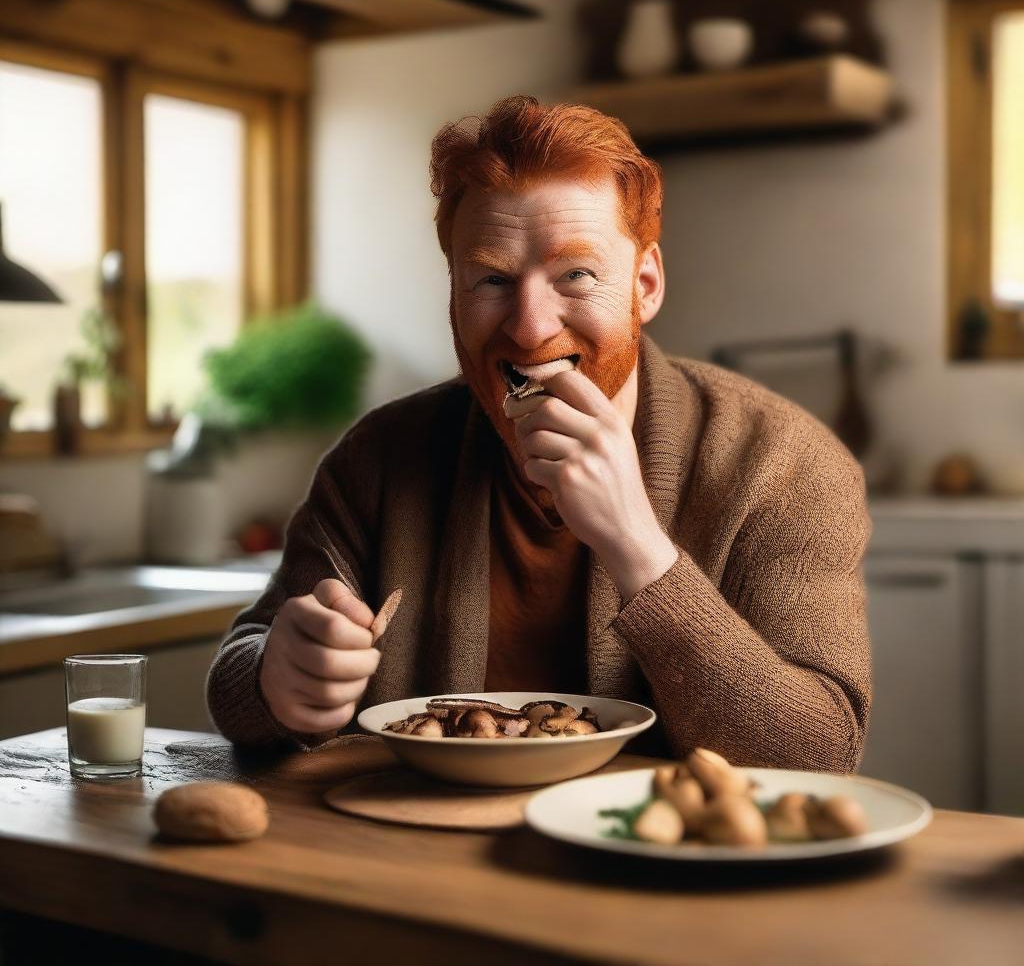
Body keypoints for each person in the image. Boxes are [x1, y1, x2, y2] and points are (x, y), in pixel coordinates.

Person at [206, 95, 872, 770]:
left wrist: (638, 547)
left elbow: (818, 755)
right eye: (492, 279)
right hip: (418, 857)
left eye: (576, 275)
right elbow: (241, 670)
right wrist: (275, 679)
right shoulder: (379, 459)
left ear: (644, 284)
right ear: (453, 294)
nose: (529, 328)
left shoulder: (784, 463)